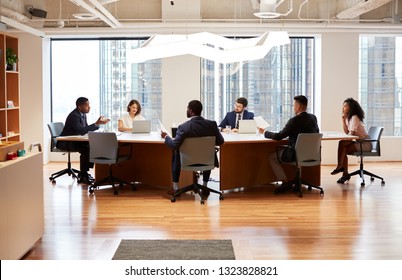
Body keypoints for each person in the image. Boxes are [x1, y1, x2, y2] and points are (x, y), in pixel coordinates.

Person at [161, 100, 225, 195]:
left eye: (187, 108)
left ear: (191, 111)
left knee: (176, 152)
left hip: (187, 162)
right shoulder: (212, 125)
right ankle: (205, 186)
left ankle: (175, 187)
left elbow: (174, 145)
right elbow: (221, 142)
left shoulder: (183, 127)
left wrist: (166, 137)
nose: (186, 110)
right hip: (207, 161)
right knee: (209, 152)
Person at [258, 95, 319, 193]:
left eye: (293, 105)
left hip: (295, 154)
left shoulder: (294, 120)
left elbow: (279, 136)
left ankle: (285, 181)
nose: (293, 107)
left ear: (298, 107)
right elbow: (316, 132)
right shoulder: (313, 118)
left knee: (271, 157)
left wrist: (265, 132)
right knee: (298, 155)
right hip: (311, 154)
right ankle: (296, 182)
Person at [57, 97, 110, 185]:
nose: (89, 107)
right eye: (86, 106)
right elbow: (81, 131)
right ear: (79, 107)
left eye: (89, 105)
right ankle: (83, 175)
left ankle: (84, 173)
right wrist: (97, 123)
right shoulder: (74, 116)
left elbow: (85, 129)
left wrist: (97, 125)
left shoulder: (82, 114)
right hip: (65, 142)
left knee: (91, 146)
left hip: (74, 141)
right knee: (86, 149)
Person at [331, 97, 372, 184]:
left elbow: (351, 134)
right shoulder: (349, 118)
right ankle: (344, 172)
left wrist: (345, 138)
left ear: (351, 108)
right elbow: (347, 132)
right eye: (343, 106)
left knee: (342, 144)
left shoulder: (355, 117)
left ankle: (340, 167)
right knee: (343, 147)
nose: (343, 108)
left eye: (345, 106)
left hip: (365, 144)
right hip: (359, 142)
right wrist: (343, 120)